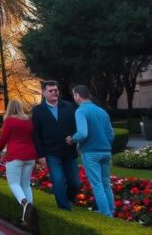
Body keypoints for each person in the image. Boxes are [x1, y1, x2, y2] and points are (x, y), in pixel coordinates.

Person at [31, 80, 81, 212]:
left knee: (75, 183)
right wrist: (40, 155)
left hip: (69, 151)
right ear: (43, 92)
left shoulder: (69, 107)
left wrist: (75, 138)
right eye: (51, 90)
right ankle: (64, 208)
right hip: (51, 152)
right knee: (58, 181)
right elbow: (36, 134)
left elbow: (77, 126)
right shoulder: (37, 110)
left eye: (56, 90)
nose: (54, 92)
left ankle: (69, 199)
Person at [67, 85, 115, 217]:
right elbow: (111, 134)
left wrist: (72, 139)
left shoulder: (80, 111)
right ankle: (111, 211)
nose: (74, 98)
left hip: (91, 152)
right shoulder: (102, 111)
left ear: (77, 96)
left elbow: (82, 134)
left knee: (97, 184)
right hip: (106, 151)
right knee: (106, 183)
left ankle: (106, 214)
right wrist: (105, 145)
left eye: (74, 95)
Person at [0, 98, 38, 226]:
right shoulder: (29, 121)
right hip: (30, 155)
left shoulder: (9, 121)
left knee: (13, 183)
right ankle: (27, 218)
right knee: (25, 184)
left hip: (15, 155)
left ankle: (25, 203)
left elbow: (3, 138)